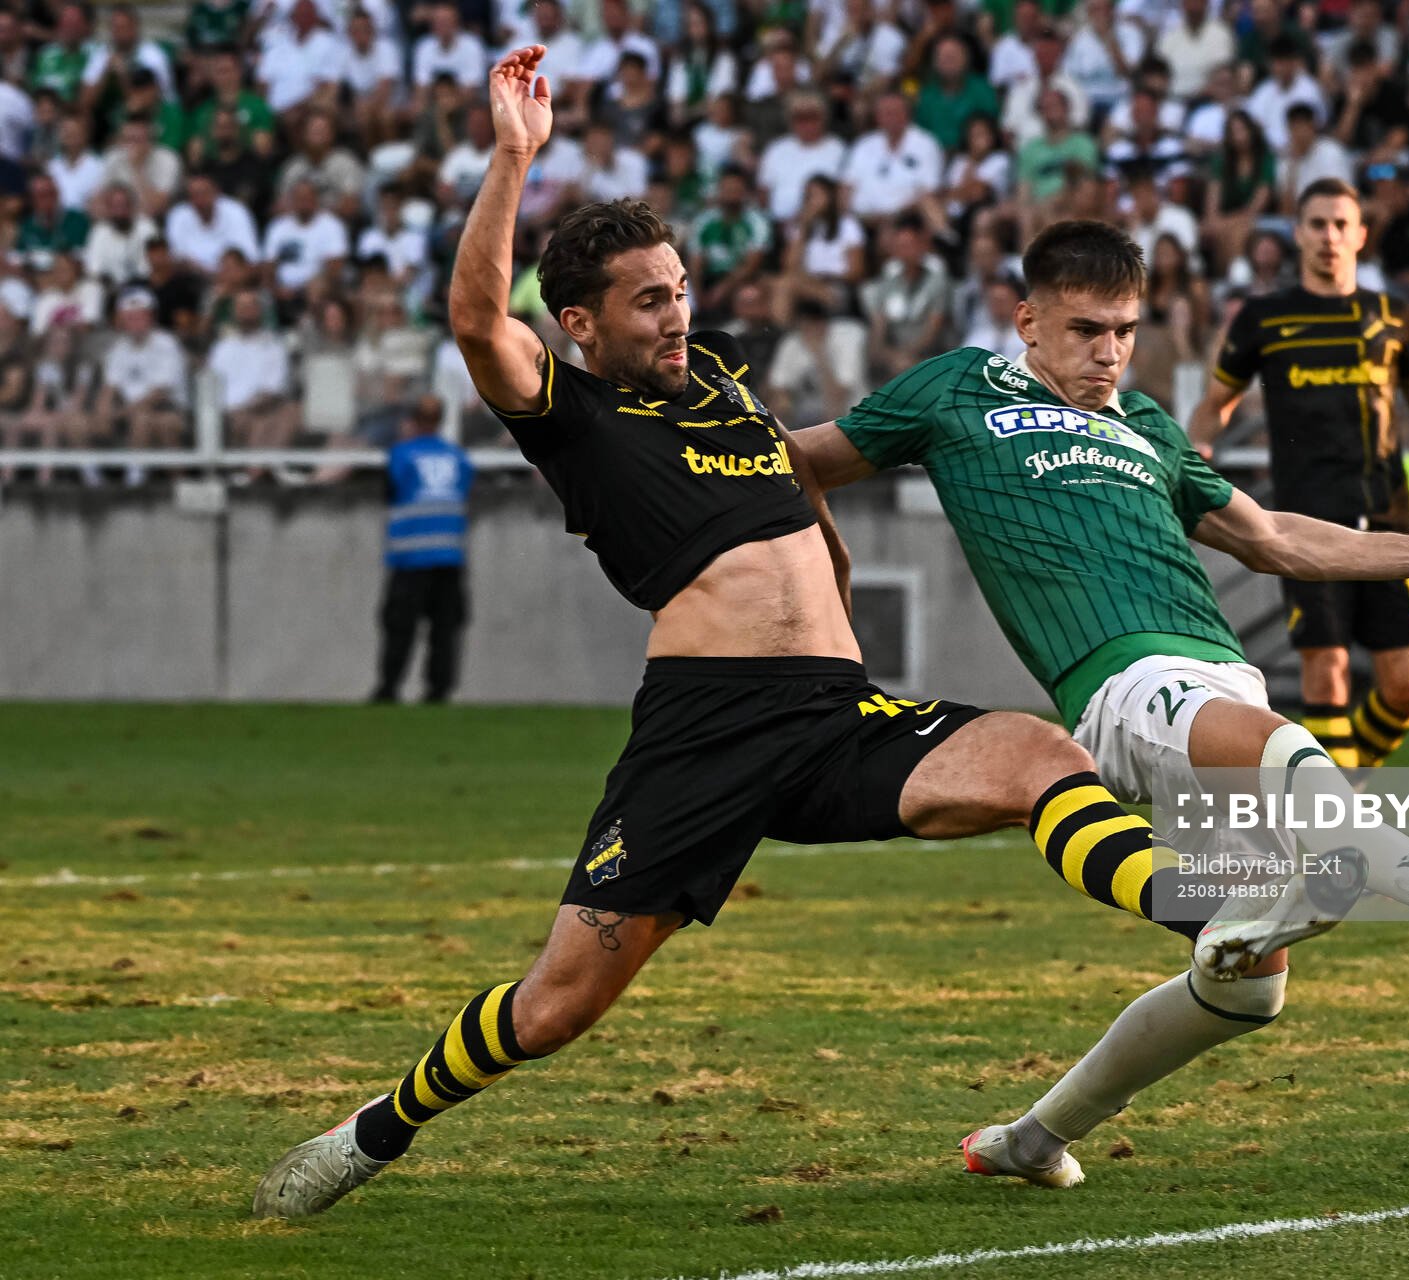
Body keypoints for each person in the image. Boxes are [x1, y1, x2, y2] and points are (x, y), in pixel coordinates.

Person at [253, 46, 1228, 1219]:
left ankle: (1216, 909)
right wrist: (514, 157)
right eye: (648, 300)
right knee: (558, 1003)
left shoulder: (724, 381)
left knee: (1034, 755)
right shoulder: (574, 414)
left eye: (679, 289)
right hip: (705, 733)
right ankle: (374, 1129)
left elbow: (795, 490)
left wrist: (835, 576)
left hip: (831, 711)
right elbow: (474, 318)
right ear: (579, 322)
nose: (677, 315)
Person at [790, 218, 1409, 1187]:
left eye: (1125, 331)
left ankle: (1034, 1138)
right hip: (1123, 685)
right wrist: (824, 572)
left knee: (1247, 993)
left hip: (1219, 676)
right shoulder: (958, 388)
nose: (1108, 353)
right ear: (1028, 321)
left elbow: (1274, 538)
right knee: (1289, 755)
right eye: (1086, 330)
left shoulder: (1146, 423)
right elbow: (796, 459)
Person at [1189, 178, 1409, 773]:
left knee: (1407, 687)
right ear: (1298, 234)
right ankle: (1337, 818)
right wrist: (1198, 450)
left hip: (1389, 518)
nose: (1329, 236)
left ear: (1361, 234)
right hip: (1304, 524)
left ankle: (1339, 787)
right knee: (1327, 668)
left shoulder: (1392, 316)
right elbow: (1215, 403)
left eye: (1341, 224)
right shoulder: (1264, 318)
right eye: (1317, 224)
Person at [374, 395, 473, 704]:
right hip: (449, 556)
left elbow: (390, 494)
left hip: (410, 557)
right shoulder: (457, 456)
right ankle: (438, 691)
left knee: (399, 626)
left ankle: (389, 687)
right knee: (445, 628)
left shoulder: (401, 454)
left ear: (413, 420)